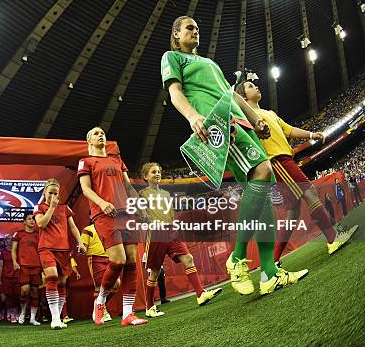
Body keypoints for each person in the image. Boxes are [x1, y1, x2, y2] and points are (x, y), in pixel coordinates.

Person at [162, 16, 308, 297]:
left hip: (240, 122)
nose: (196, 31)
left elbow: (232, 95)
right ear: (176, 34)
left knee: (263, 195)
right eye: (190, 28)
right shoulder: (173, 57)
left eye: (197, 27)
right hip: (219, 125)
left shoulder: (210, 63)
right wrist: (193, 116)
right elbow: (175, 93)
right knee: (263, 170)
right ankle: (238, 257)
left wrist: (256, 119)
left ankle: (269, 274)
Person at [236, 81, 357, 260]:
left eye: (255, 85)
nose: (256, 87)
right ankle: (333, 238)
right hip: (277, 161)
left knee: (293, 214)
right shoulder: (247, 117)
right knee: (311, 192)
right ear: (243, 95)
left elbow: (289, 130)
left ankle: (274, 259)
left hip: (286, 159)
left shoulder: (269, 113)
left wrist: (310, 135)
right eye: (250, 86)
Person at [78, 127, 148, 326]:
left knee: (132, 261)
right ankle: (99, 301)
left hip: (127, 212)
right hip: (105, 214)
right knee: (118, 260)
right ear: (89, 140)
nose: (101, 135)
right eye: (96, 133)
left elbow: (127, 186)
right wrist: (101, 203)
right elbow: (85, 189)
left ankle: (128, 313)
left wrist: (140, 207)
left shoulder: (117, 160)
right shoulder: (86, 162)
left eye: (103, 133)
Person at [139, 162, 222, 317]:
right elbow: (140, 212)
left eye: (158, 171)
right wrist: (144, 217)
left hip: (171, 233)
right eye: (153, 172)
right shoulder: (143, 194)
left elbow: (171, 214)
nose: (157, 174)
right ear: (145, 177)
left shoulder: (166, 194)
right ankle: (149, 308)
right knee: (155, 272)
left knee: (188, 258)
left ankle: (200, 294)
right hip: (156, 235)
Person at [34, 179, 85, 329]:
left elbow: (74, 227)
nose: (53, 195)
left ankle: (59, 317)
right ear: (45, 192)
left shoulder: (65, 208)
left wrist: (80, 242)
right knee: (52, 278)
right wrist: (51, 208)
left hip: (64, 249)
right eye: (50, 193)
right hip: (46, 248)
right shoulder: (39, 207)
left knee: (62, 283)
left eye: (56, 193)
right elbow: (41, 224)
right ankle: (55, 318)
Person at [81, 223, 119, 322]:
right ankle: (102, 310)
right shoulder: (87, 229)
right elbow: (83, 246)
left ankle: (100, 305)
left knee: (116, 283)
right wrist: (82, 249)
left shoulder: (108, 227)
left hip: (110, 257)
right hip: (95, 258)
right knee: (99, 285)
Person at [12, 212, 42, 325]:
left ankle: (33, 318)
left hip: (36, 266)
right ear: (24, 221)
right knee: (24, 290)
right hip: (23, 266)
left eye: (33, 219)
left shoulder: (38, 234)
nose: (32, 221)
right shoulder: (18, 234)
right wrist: (15, 262)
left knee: (35, 293)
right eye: (29, 219)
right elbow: (13, 250)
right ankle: (23, 312)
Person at [0, 234, 19, 322]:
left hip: (16, 276)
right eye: (8, 239)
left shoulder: (17, 251)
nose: (10, 241)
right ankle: (10, 313)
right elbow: (1, 267)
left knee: (17, 295)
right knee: (7, 297)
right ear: (5, 241)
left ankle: (16, 312)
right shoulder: (2, 252)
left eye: (11, 239)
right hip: (6, 277)